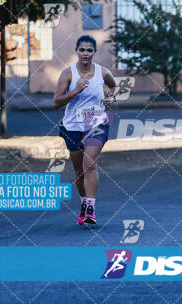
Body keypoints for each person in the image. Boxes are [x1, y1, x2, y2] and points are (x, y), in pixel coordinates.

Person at [54, 35, 117, 225]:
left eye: (90, 50)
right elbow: (56, 102)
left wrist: (111, 98)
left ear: (94, 52)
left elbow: (113, 87)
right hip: (72, 124)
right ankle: (84, 203)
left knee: (89, 164)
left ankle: (90, 209)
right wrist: (75, 91)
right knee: (79, 170)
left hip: (96, 121)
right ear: (77, 51)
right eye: (82, 50)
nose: (86, 53)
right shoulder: (68, 74)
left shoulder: (103, 72)